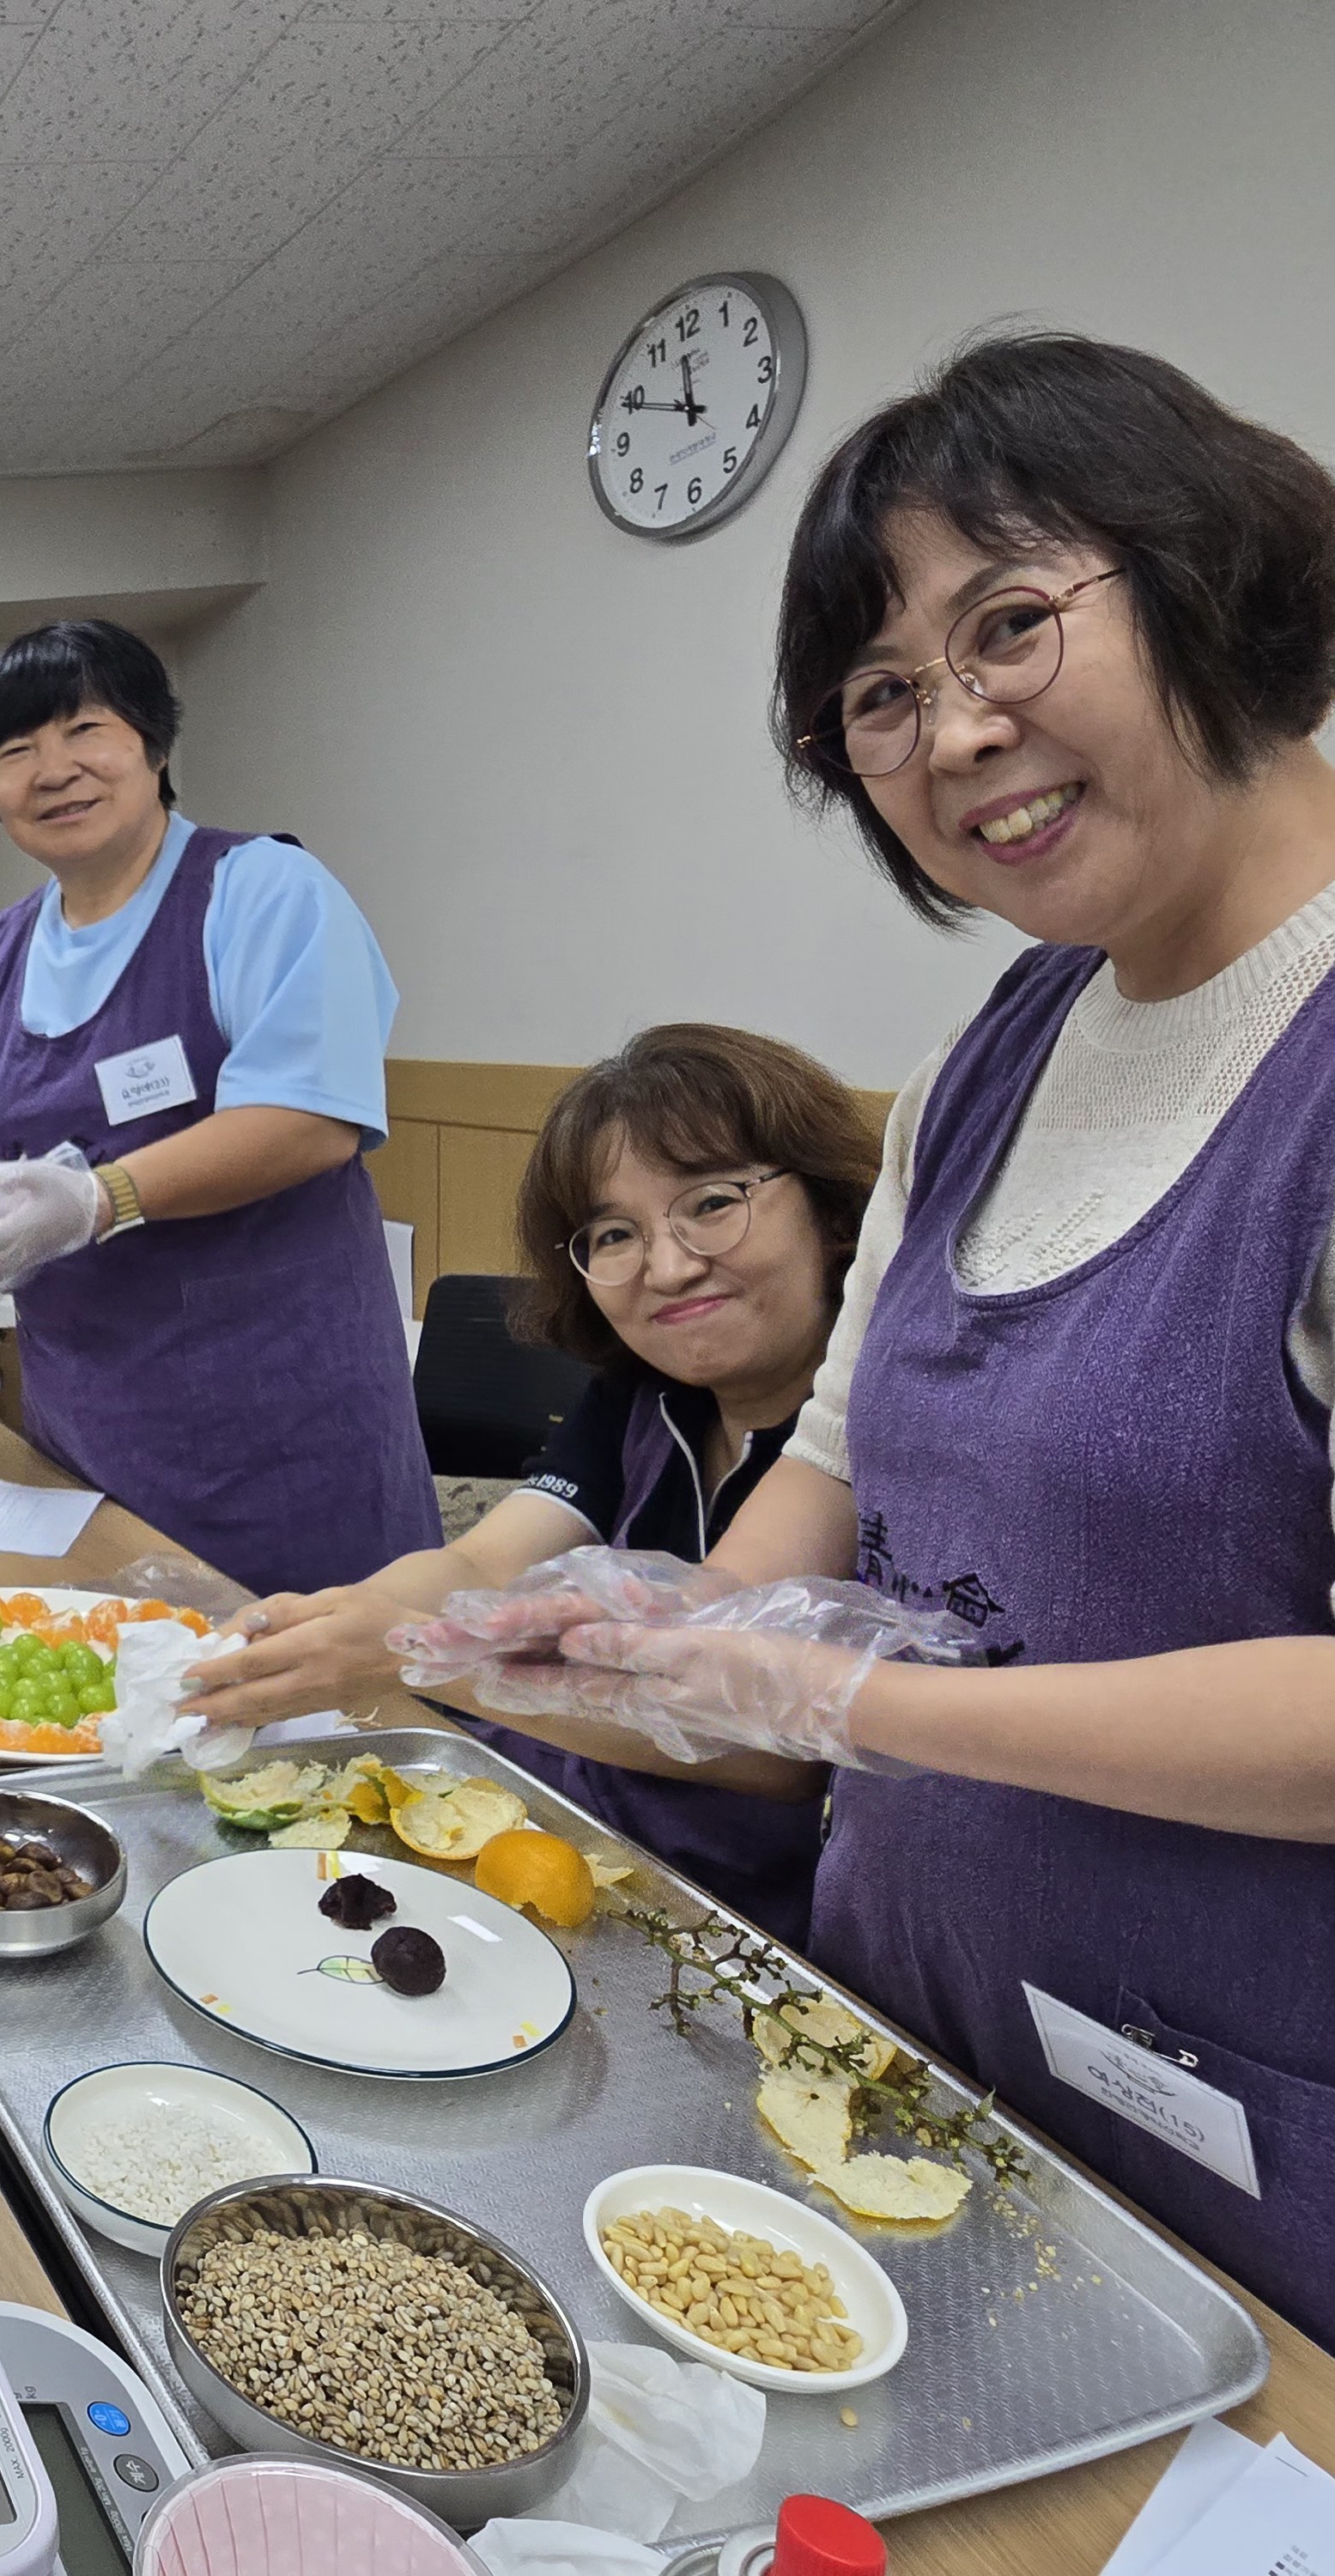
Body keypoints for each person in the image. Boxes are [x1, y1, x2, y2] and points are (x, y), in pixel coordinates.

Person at [398, 337, 1335, 2341]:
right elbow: (818, 1505)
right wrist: (618, 1648)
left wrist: (855, 1707)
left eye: (1011, 624)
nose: (959, 728)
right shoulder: (986, 1064)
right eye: (882, 696)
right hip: (900, 2032)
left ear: (1213, 577)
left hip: (1253, 2141)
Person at [175, 1024, 877, 1944]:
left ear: (833, 1216)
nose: (667, 1265)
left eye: (711, 1203)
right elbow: (482, 1557)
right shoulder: (642, 1397)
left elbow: (770, 1750)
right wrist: (328, 1622)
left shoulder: (885, 1435)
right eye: (615, 1233)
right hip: (562, 1832)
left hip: (726, 1919)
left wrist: (418, 1657)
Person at [0, 619, 435, 1594]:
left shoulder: (261, 891)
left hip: (282, 1427)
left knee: (312, 1715)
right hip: (85, 1428)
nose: (53, 771)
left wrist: (97, 1201)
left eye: (86, 731)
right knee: (111, 1688)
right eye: (16, 751)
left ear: (154, 744)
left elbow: (309, 1119)